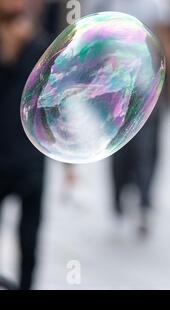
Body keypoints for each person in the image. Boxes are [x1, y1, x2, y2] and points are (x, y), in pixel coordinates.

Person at [83, 0, 170, 237]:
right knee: (122, 148)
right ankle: (122, 200)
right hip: (114, 89)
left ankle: (143, 202)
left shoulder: (157, 4)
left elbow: (167, 41)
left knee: (144, 148)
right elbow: (91, 41)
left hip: (146, 86)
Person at [0, 0, 49, 290]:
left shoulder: (41, 48)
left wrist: (69, 162)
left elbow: (54, 102)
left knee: (29, 238)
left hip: (31, 160)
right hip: (1, 158)